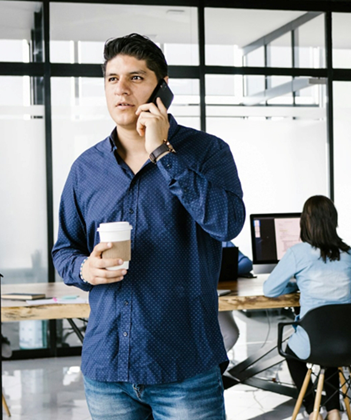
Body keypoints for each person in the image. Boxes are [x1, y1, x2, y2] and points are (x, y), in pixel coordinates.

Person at [52, 33, 245, 420]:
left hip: (184, 368)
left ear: (163, 88)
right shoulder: (86, 169)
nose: (121, 89)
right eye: (112, 79)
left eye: (136, 78)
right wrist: (84, 269)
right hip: (107, 370)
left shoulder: (208, 153)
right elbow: (64, 250)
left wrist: (163, 153)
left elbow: (227, 225)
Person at [263, 195, 351, 420]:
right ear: (334, 222)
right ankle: (334, 409)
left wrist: (295, 283)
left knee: (294, 354)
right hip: (348, 342)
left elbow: (270, 290)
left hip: (315, 340)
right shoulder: (350, 253)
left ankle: (314, 408)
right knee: (331, 340)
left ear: (305, 222)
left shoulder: (297, 253)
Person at [217, 241, 253, 352]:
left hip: (218, 295)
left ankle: (214, 369)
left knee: (230, 333)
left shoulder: (222, 240)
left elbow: (247, 263)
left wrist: (220, 272)